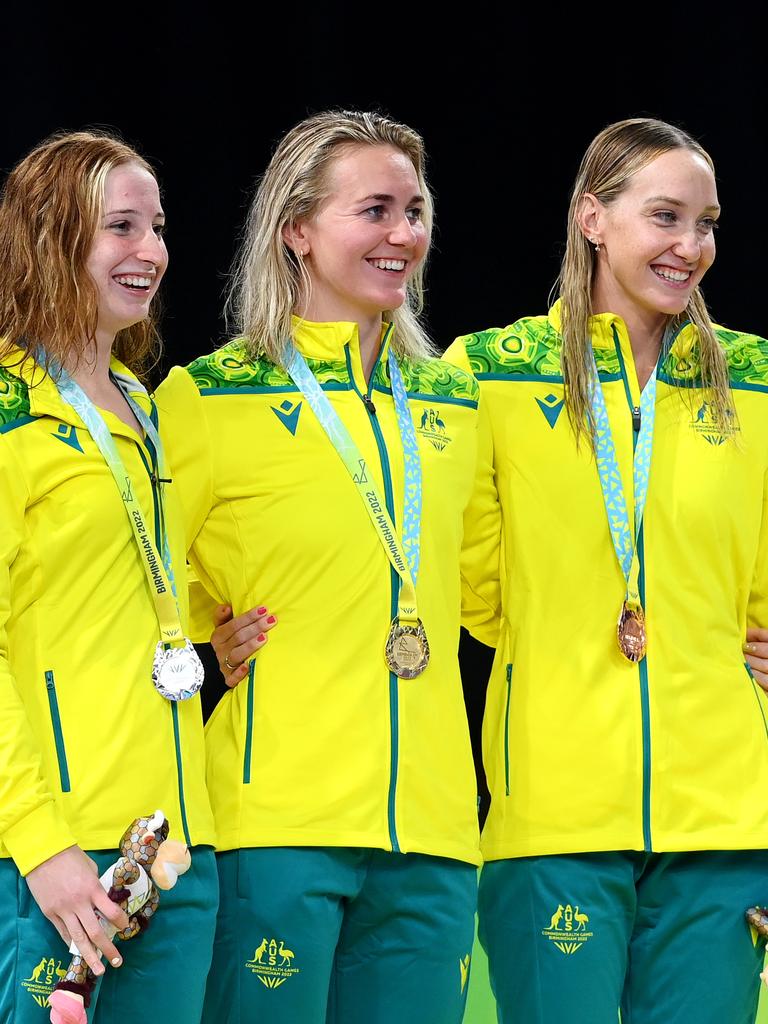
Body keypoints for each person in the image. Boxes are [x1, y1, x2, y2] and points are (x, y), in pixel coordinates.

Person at [155, 109, 482, 1024]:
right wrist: (193, 644)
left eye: (415, 210)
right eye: (374, 209)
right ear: (296, 228)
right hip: (273, 827)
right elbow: (133, 575)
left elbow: (511, 583)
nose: (403, 234)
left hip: (434, 829)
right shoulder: (210, 397)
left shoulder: (458, 403)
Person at [443, 117, 768, 1024]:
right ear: (593, 216)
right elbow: (466, 582)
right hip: (553, 812)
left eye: (707, 224)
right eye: (665, 217)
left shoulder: (756, 380)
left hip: (724, 820)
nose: (691, 247)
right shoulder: (489, 374)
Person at [0, 131, 218, 1023]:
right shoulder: (9, 413)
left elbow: (128, 588)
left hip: (170, 849)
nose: (152, 251)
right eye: (119, 227)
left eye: (157, 226)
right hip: (59, 858)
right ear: (50, 239)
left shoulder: (145, 406)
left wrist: (215, 629)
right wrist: (40, 845)